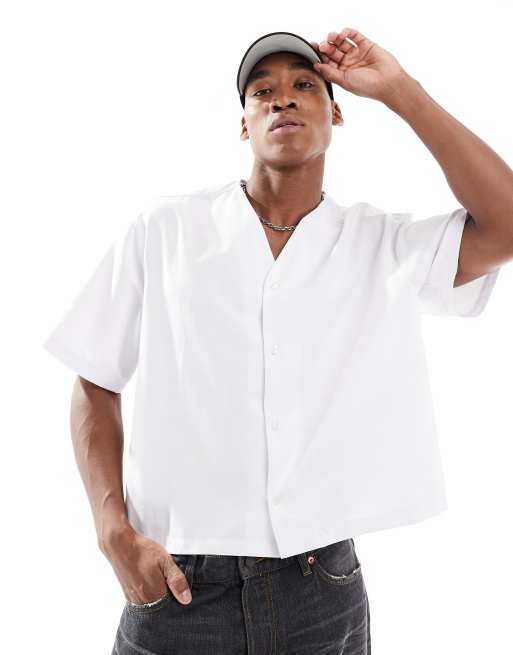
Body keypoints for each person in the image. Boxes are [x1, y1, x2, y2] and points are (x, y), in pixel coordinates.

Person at [42, 28, 512, 654]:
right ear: (244, 125)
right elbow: (94, 376)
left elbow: (506, 225)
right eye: (262, 91)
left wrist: (401, 91)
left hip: (320, 589)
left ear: (336, 113)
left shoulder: (381, 243)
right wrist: (112, 532)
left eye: (304, 85)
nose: (282, 99)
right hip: (178, 583)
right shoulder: (166, 230)